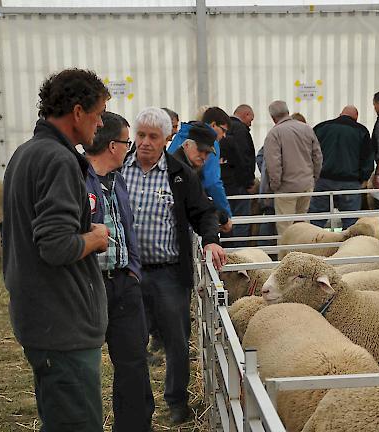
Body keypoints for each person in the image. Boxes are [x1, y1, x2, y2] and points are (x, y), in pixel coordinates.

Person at [2, 68, 110, 431]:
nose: (100, 124)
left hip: (42, 317)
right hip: (62, 322)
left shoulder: (25, 154)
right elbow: (55, 244)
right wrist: (95, 238)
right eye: (97, 115)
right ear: (78, 112)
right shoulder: (59, 160)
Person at [122, 107, 226, 425]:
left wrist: (210, 238)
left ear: (168, 138)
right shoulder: (116, 170)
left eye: (154, 137)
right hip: (128, 273)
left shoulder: (179, 174)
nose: (146, 142)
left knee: (177, 341)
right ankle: (137, 406)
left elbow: (204, 211)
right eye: (141, 135)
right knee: (130, 343)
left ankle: (177, 401)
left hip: (168, 272)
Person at [84, 112, 154, 431]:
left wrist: (133, 270)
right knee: (83, 366)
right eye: (127, 142)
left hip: (123, 283)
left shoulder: (116, 179)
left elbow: (128, 227)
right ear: (113, 146)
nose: (130, 148)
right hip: (88, 287)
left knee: (133, 364)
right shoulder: (76, 180)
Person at [168, 106, 233, 233]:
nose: (224, 135)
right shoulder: (211, 142)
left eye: (207, 153)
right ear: (213, 125)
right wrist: (225, 215)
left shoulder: (181, 136)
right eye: (223, 130)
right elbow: (212, 182)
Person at [308, 105, 373, 229]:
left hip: (323, 180)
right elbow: (367, 158)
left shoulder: (321, 128)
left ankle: (314, 245)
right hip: (350, 183)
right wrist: (364, 178)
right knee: (350, 223)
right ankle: (349, 246)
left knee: (316, 220)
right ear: (356, 117)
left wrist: (313, 175)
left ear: (340, 114)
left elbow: (309, 152)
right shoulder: (361, 131)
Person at [263, 100, 322, 235]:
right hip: (306, 185)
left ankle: (287, 255)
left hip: (286, 188)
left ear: (273, 117)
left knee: (285, 229)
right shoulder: (307, 129)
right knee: (302, 226)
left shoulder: (274, 134)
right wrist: (313, 178)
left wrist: (275, 185)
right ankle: (304, 254)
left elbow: (273, 164)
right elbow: (317, 157)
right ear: (287, 112)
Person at [220, 104, 256, 247]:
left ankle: (226, 249)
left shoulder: (225, 129)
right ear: (246, 114)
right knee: (241, 220)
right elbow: (244, 159)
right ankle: (240, 253)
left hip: (223, 184)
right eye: (251, 119)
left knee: (224, 219)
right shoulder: (241, 130)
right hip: (238, 185)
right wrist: (248, 182)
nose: (251, 123)